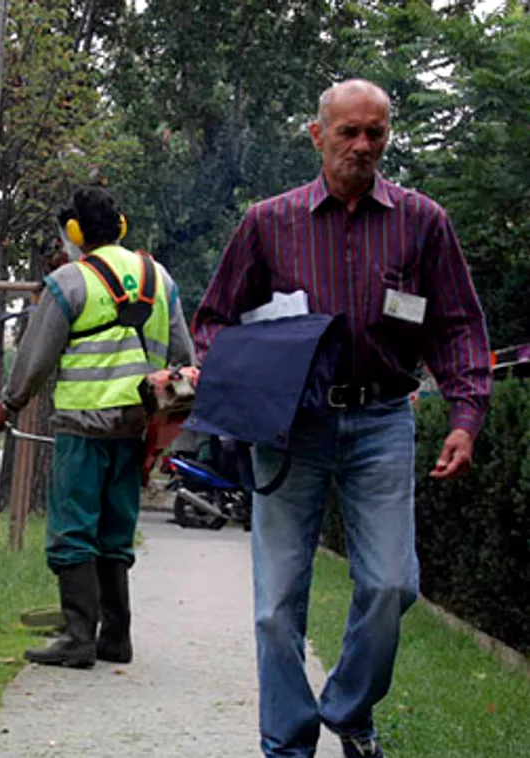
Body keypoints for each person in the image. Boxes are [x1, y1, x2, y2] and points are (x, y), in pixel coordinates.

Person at [192, 79, 491, 758]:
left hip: (382, 419)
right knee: (275, 609)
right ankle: (287, 745)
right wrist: (239, 393)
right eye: (348, 132)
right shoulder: (268, 222)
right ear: (316, 134)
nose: (362, 145)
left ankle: (349, 711)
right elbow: (212, 321)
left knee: (391, 584)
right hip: (290, 430)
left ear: (387, 135)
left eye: (375, 133)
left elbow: (456, 326)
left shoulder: (422, 222)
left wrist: (465, 414)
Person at [0, 186, 195, 669]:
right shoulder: (159, 277)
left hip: (84, 424)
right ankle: (116, 637)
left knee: (74, 529)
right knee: (116, 531)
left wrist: (8, 405)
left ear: (75, 232)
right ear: (121, 226)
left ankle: (79, 636)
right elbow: (184, 358)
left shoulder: (70, 282)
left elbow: (36, 359)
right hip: (137, 428)